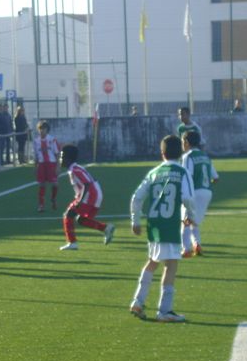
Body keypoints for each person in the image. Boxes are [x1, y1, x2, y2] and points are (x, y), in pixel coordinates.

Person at [129, 135, 196, 323]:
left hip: (154, 224)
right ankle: (164, 310)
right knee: (171, 264)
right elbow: (188, 198)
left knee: (152, 261)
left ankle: (138, 301)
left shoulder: (154, 172)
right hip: (170, 224)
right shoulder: (182, 172)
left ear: (162, 153)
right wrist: (190, 214)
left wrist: (135, 221)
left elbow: (136, 198)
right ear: (180, 152)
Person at [58, 144, 115, 250]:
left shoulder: (75, 170)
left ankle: (72, 243)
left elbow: (87, 184)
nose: (60, 159)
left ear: (68, 159)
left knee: (68, 214)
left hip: (90, 196)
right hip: (95, 195)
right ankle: (106, 228)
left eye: (61, 157)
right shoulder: (75, 168)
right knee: (82, 220)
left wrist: (79, 201)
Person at [180, 130, 218, 257]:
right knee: (193, 221)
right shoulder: (205, 156)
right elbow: (215, 178)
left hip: (193, 192)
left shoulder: (188, 156)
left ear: (186, 142)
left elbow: (188, 176)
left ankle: (186, 249)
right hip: (207, 192)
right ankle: (197, 245)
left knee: (186, 221)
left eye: (182, 141)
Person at [33, 121, 60, 212]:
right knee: (42, 185)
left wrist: (58, 166)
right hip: (41, 164)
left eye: (43, 129)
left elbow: (57, 153)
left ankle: (53, 198)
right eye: (40, 129)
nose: (42, 131)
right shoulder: (36, 141)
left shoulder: (52, 140)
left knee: (55, 184)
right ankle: (41, 205)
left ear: (47, 130)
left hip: (51, 164)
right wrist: (35, 167)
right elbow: (36, 155)